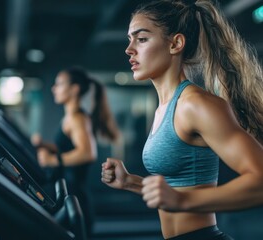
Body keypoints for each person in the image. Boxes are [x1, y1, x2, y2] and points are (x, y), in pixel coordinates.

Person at [101, 0, 263, 239]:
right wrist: (130, 183)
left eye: (142, 39)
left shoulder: (195, 104)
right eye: (129, 39)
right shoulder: (164, 109)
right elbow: (177, 185)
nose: (129, 49)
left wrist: (182, 199)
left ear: (176, 43)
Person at [32, 66, 119, 237]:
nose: (54, 88)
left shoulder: (77, 118)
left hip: (76, 197)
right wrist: (47, 146)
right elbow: (69, 147)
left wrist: (53, 160)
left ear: (74, 89)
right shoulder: (70, 117)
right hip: (71, 195)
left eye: (59, 84)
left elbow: (88, 152)